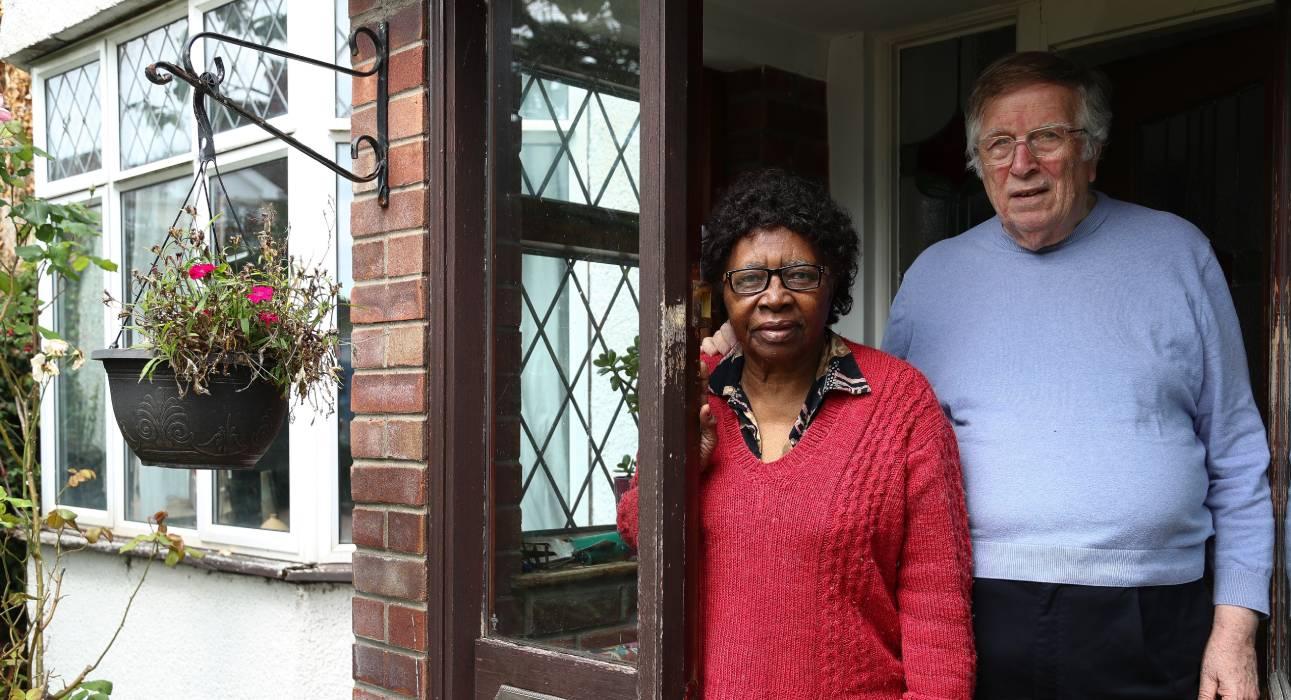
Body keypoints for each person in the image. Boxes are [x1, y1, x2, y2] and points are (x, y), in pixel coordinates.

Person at [881, 52, 1271, 699]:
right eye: (999, 144)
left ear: (1090, 150)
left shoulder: (1179, 254)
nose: (1021, 163)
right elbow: (882, 454)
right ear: (979, 164)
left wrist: (1235, 633)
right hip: (974, 608)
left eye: (1045, 138)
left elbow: (1235, 453)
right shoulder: (931, 278)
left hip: (1151, 615)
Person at [618, 169, 975, 699]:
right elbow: (639, 530)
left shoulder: (900, 403)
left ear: (833, 282)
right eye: (750, 278)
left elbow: (936, 604)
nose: (775, 297)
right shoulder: (697, 401)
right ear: (724, 291)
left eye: (800, 275)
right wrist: (685, 464)